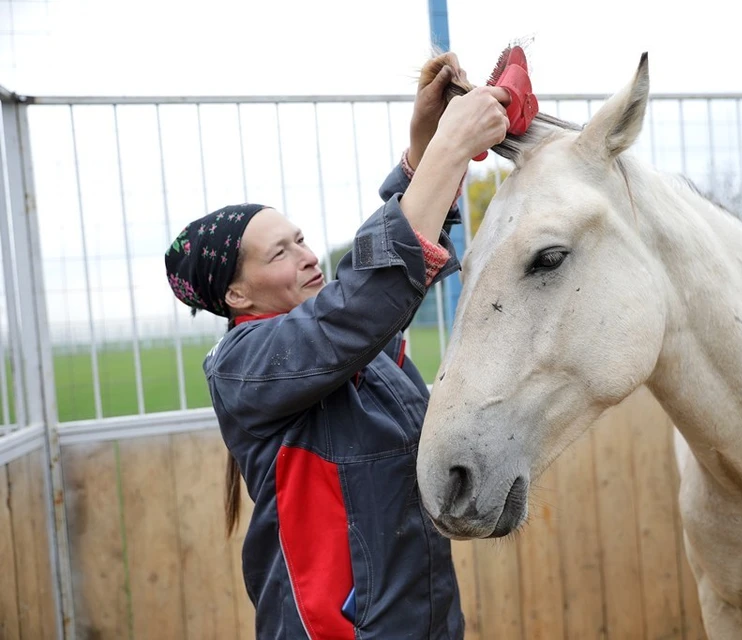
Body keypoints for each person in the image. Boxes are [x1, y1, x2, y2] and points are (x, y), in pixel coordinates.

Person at [164, 52, 510, 639]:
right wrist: (452, 149)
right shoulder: (243, 366)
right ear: (238, 296)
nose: (305, 255)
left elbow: (386, 285)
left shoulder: (356, 347)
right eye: (279, 253)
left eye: (299, 239)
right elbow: (365, 298)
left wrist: (424, 146)